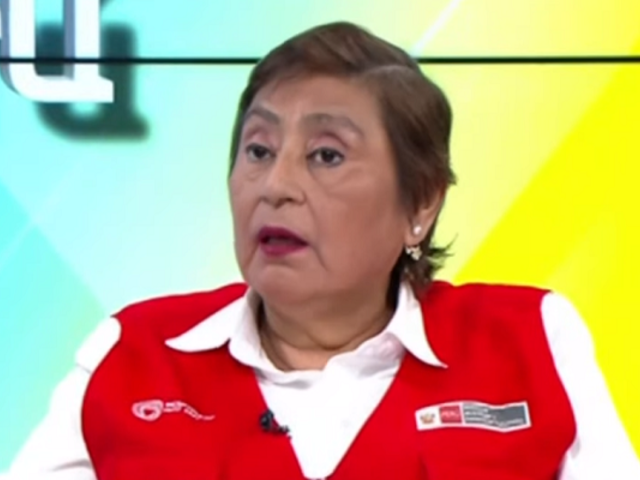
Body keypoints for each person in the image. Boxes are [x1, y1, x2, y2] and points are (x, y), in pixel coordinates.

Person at [7, 21, 640, 480]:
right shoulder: (133, 355)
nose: (275, 186)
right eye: (258, 150)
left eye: (326, 156)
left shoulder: (531, 340)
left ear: (421, 203)